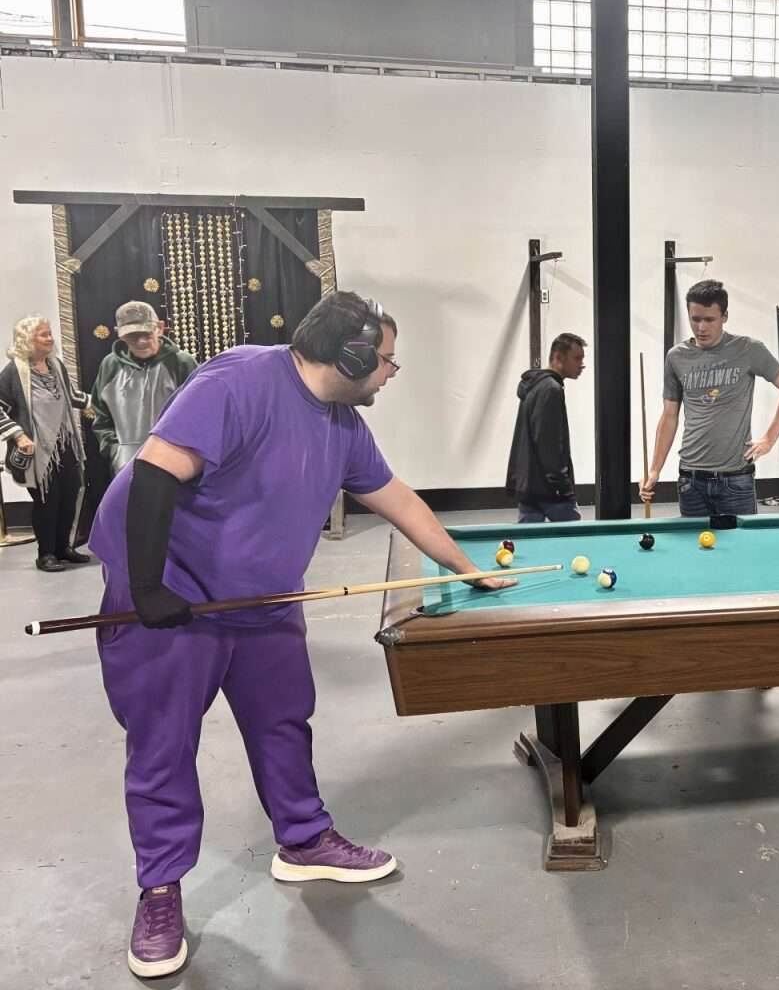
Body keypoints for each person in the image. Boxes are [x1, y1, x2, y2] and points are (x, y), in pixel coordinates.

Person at [86, 291, 514, 979]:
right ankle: (160, 889)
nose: (389, 372)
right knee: (164, 742)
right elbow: (155, 473)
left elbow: (395, 495)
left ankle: (305, 839)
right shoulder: (241, 380)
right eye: (385, 360)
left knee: (284, 721)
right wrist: (145, 588)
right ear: (347, 355)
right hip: (176, 593)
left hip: (263, 598)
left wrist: (467, 568)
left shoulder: (342, 424)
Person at [640, 280, 779, 517]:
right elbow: (669, 416)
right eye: (695, 319)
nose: (701, 327)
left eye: (709, 319)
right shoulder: (676, 357)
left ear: (724, 316)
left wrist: (769, 438)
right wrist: (654, 470)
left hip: (735, 481)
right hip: (690, 480)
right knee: (693, 552)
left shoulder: (748, 349)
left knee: (741, 552)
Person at [0, 315, 93, 571]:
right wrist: (18, 435)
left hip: (64, 444)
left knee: (71, 493)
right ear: (28, 340)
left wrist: (99, 403)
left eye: (49, 333)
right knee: (47, 500)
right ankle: (46, 554)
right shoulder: (13, 372)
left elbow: (72, 396)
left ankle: (64, 547)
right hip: (38, 450)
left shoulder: (56, 365)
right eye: (43, 334)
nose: (50, 338)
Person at [91, 301, 198, 474]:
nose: (140, 341)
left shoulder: (182, 363)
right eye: (132, 336)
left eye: (146, 334)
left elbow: (199, 412)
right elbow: (101, 415)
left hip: (175, 464)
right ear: (120, 335)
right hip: (124, 465)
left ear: (160, 328)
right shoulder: (110, 366)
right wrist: (114, 448)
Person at [506, 331, 587, 523]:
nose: (582, 364)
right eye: (577, 358)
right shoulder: (551, 389)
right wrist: (561, 485)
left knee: (530, 541)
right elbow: (547, 441)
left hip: (528, 484)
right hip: (549, 489)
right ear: (559, 357)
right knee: (575, 539)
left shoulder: (535, 386)